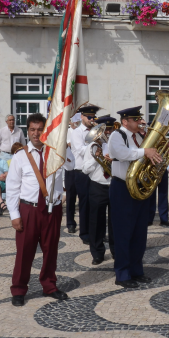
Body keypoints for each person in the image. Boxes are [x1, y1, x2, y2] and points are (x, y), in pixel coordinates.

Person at [7, 113, 68, 307]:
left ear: (46, 130)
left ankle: (49, 285)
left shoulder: (56, 153)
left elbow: (73, 168)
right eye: (32, 129)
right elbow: (12, 187)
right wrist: (14, 215)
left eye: (40, 129)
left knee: (51, 251)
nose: (36, 133)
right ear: (27, 131)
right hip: (29, 210)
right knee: (24, 252)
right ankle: (18, 289)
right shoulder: (20, 156)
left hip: (52, 209)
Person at [108, 106, 161, 288]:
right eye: (135, 119)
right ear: (125, 122)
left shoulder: (139, 137)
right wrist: (144, 152)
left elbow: (146, 158)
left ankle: (137, 270)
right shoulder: (117, 135)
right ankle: (122, 274)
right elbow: (120, 154)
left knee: (139, 232)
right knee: (123, 232)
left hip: (139, 187)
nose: (139, 122)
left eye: (139, 119)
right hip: (122, 188)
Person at [83, 115, 115, 265]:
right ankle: (97, 253)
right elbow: (85, 169)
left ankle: (116, 250)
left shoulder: (115, 144)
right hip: (97, 186)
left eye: (109, 129)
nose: (107, 133)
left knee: (115, 221)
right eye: (105, 130)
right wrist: (97, 158)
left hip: (114, 185)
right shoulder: (92, 147)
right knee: (96, 221)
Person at [71, 105, 101, 244]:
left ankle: (97, 232)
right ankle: (85, 233)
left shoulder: (97, 130)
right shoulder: (77, 132)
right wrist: (95, 145)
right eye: (89, 117)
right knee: (85, 203)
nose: (91, 119)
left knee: (97, 203)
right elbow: (80, 150)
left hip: (95, 171)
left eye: (93, 117)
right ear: (82, 117)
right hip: (82, 172)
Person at [144, 117, 169, 227]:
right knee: (151, 195)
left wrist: (168, 146)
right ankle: (149, 218)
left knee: (163, 194)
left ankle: (164, 218)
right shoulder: (146, 139)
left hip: (162, 168)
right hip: (150, 169)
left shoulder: (163, 139)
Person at [63, 114, 80, 234]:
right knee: (70, 198)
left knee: (84, 199)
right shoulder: (66, 131)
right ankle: (70, 223)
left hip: (82, 168)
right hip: (70, 168)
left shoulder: (82, 132)